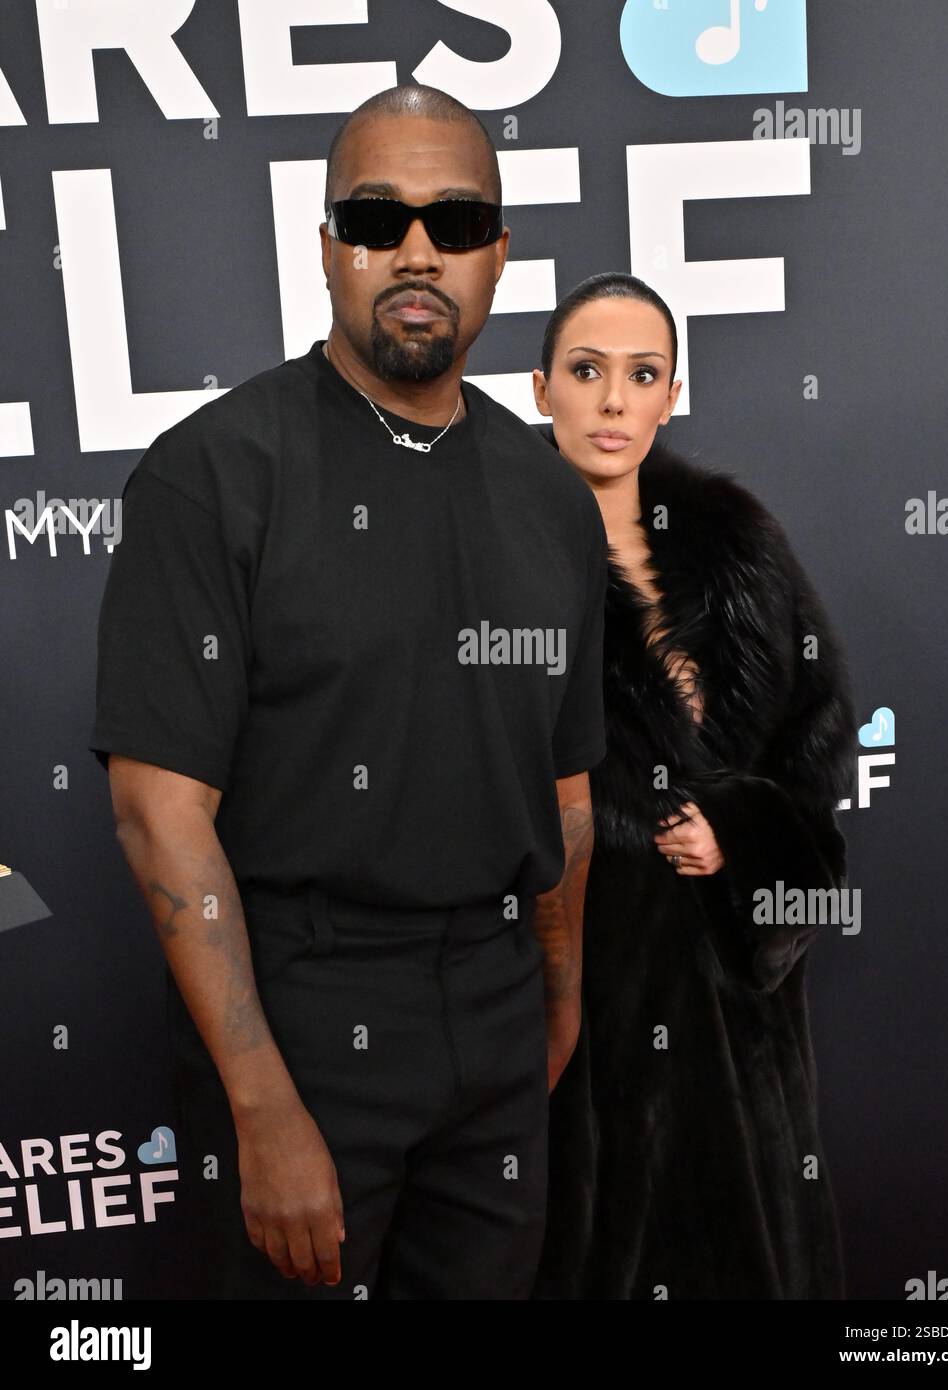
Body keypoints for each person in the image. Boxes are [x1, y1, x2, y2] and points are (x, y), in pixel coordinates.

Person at [88, 86, 609, 1300]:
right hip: (301, 1014)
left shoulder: (548, 501)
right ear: (328, 246)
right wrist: (260, 1099)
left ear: (498, 255)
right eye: (378, 217)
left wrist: (557, 993)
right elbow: (158, 812)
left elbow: (566, 784)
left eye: (456, 219)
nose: (416, 250)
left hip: (494, 1010)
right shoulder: (212, 476)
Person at [528, 272, 859, 1299]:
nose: (613, 401)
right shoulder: (498, 565)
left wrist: (738, 834)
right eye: (586, 372)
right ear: (542, 390)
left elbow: (815, 750)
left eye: (640, 374)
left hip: (738, 1015)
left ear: (672, 391)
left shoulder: (742, 546)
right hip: (585, 1018)